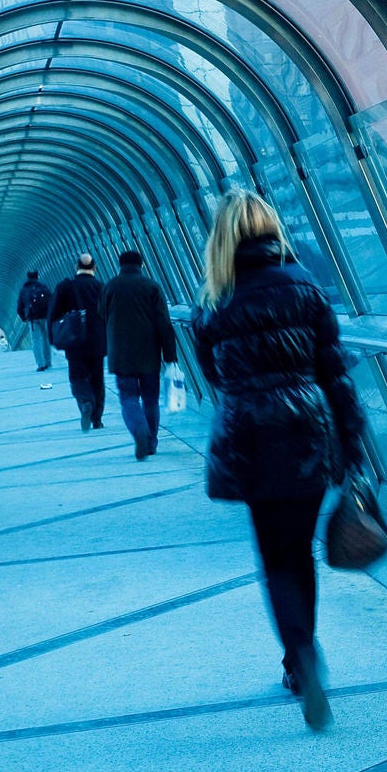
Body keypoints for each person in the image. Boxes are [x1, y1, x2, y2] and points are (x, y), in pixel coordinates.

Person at [192, 189, 363, 731]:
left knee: (275, 559)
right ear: (272, 230)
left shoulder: (215, 301)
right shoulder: (307, 287)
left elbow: (215, 377)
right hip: (308, 431)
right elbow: (335, 374)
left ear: (222, 240)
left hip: (251, 439)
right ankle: (305, 659)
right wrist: (352, 449)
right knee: (301, 552)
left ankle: (300, 658)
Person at [101, 249, 177, 459]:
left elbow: (102, 317)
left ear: (119, 264)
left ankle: (139, 431)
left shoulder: (110, 287)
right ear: (141, 264)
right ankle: (151, 441)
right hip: (149, 354)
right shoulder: (151, 286)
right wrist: (170, 356)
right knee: (151, 399)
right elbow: (164, 323)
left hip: (121, 354)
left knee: (128, 398)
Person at [48, 253, 107, 430]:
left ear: (76, 267)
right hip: (97, 342)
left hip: (74, 341)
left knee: (77, 377)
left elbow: (53, 314)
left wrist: (54, 338)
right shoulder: (101, 287)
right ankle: (97, 419)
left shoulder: (65, 287)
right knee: (97, 378)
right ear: (95, 268)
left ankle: (85, 401)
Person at [17, 269, 53, 371]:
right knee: (46, 339)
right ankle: (48, 362)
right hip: (45, 317)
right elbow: (51, 300)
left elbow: (19, 306)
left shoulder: (24, 290)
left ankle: (40, 364)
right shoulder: (43, 287)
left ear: (28, 277)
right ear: (37, 276)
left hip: (32, 319)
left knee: (35, 341)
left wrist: (24, 317)